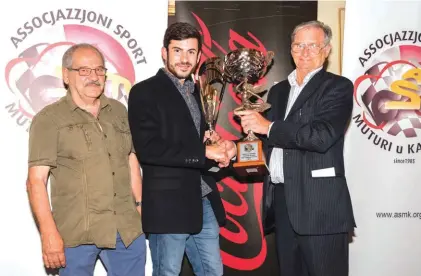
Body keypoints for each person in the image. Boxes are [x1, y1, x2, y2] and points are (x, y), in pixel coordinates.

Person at [235, 20, 356, 276]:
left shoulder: (338, 86)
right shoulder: (278, 91)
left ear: (326, 50)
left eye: (312, 46)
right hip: (282, 201)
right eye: (299, 45)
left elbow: (321, 136)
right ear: (290, 49)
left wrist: (268, 127)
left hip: (319, 204)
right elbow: (271, 141)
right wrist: (234, 149)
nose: (305, 52)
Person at [26, 43, 145, 276]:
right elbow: (36, 181)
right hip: (76, 234)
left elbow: (130, 158)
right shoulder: (48, 119)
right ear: (66, 75)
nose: (94, 77)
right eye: (84, 70)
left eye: (99, 70)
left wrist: (140, 206)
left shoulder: (119, 111)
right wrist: (48, 233)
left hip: (126, 231)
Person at [128, 22, 236, 276]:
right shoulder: (144, 92)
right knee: (167, 272)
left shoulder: (199, 91)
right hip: (168, 206)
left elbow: (197, 143)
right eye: (177, 51)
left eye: (191, 52)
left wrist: (219, 149)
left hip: (203, 199)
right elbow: (149, 149)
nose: (184, 59)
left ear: (199, 57)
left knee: (213, 272)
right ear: (164, 53)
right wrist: (204, 153)